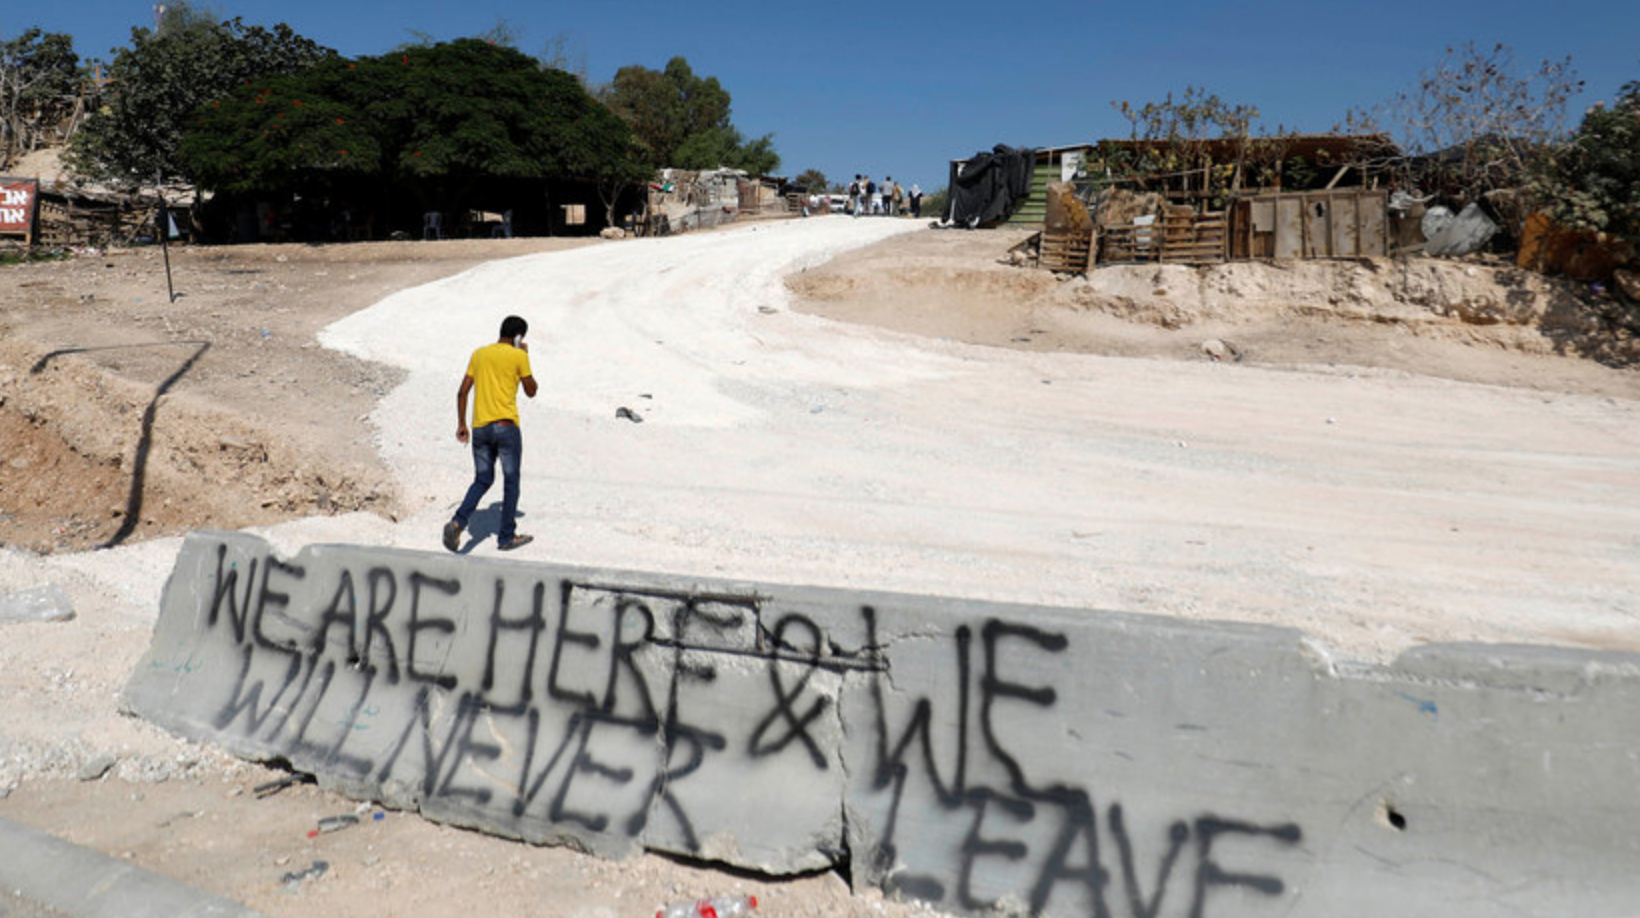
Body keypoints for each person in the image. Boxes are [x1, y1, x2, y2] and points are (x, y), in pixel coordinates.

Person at [443, 315, 538, 552]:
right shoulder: (518, 356)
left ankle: (458, 522)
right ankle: (506, 537)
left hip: (480, 428)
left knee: (483, 479)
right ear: (518, 337)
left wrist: (461, 424)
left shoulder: (479, 354)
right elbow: (531, 391)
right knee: (511, 480)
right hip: (506, 427)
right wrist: (525, 356)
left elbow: (462, 392)